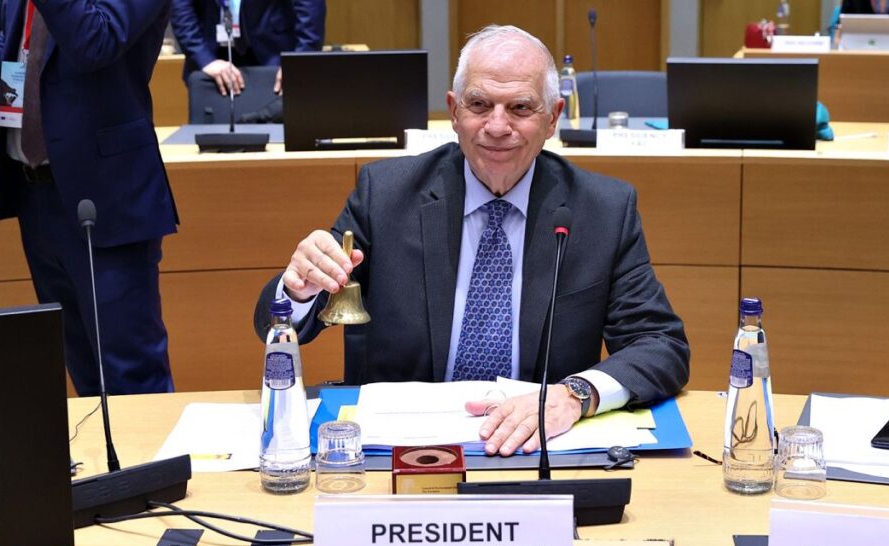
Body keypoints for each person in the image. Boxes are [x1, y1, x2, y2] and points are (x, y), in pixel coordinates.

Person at [253, 25, 690, 456]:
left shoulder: (602, 210)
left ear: (553, 118)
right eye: (479, 104)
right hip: (403, 450)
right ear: (454, 111)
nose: (497, 126)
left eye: (520, 107)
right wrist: (299, 289)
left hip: (539, 448)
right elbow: (277, 324)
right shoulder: (385, 195)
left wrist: (575, 394)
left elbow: (660, 344)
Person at [0, 0, 179, 396]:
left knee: (131, 375)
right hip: (35, 193)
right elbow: (11, 47)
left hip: (106, 197)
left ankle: (145, 443)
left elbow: (94, 41)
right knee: (81, 367)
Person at [170, 0, 325, 96]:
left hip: (277, 57)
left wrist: (298, 61)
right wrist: (204, 58)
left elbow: (310, 9)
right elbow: (180, 6)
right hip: (214, 58)